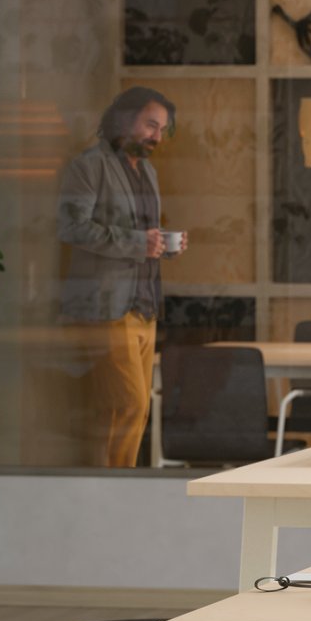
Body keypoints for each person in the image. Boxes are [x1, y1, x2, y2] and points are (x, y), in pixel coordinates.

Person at [57, 85, 181, 467]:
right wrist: (136, 243)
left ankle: (117, 480)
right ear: (124, 118)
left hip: (144, 305)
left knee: (136, 411)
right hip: (105, 305)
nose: (156, 136)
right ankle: (112, 483)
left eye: (161, 129)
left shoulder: (149, 172)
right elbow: (71, 227)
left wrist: (162, 244)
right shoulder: (89, 166)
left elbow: (141, 232)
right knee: (127, 403)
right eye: (150, 125)